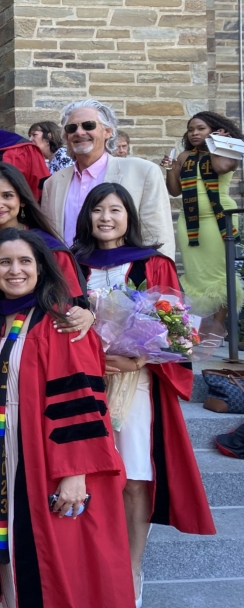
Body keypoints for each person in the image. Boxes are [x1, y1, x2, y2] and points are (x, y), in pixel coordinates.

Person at [0, 228, 134, 608]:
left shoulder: (60, 324)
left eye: (25, 261)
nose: (15, 270)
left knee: (55, 555)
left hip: (48, 456)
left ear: (42, 268)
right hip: (4, 452)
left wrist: (75, 473)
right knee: (11, 541)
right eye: (5, 262)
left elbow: (79, 402)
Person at [71, 183, 216, 608]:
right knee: (91, 475)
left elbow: (179, 333)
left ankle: (132, 567)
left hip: (136, 386)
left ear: (129, 217)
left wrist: (137, 361)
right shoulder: (72, 265)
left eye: (115, 210)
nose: (106, 218)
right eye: (97, 210)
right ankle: (95, 563)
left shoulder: (154, 264)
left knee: (134, 475)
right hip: (83, 384)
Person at [41, 99, 175, 259]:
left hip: (125, 278)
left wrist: (160, 279)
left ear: (108, 132)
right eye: (72, 128)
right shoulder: (53, 183)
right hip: (68, 278)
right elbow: (49, 241)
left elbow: (158, 236)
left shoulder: (142, 172)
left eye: (88, 125)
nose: (79, 132)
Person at [0, 163, 92, 322]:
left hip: (39, 335)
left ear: (21, 200)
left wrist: (89, 315)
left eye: (7, 196)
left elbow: (73, 306)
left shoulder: (51, 249)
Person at [161, 111, 244, 333]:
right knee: (194, 273)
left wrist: (216, 142)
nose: (194, 133)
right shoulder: (185, 156)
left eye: (201, 128)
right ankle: (200, 326)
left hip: (218, 219)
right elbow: (174, 190)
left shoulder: (227, 148)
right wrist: (170, 169)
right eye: (191, 129)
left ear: (213, 130)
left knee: (219, 273)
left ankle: (217, 326)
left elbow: (219, 167)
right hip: (189, 221)